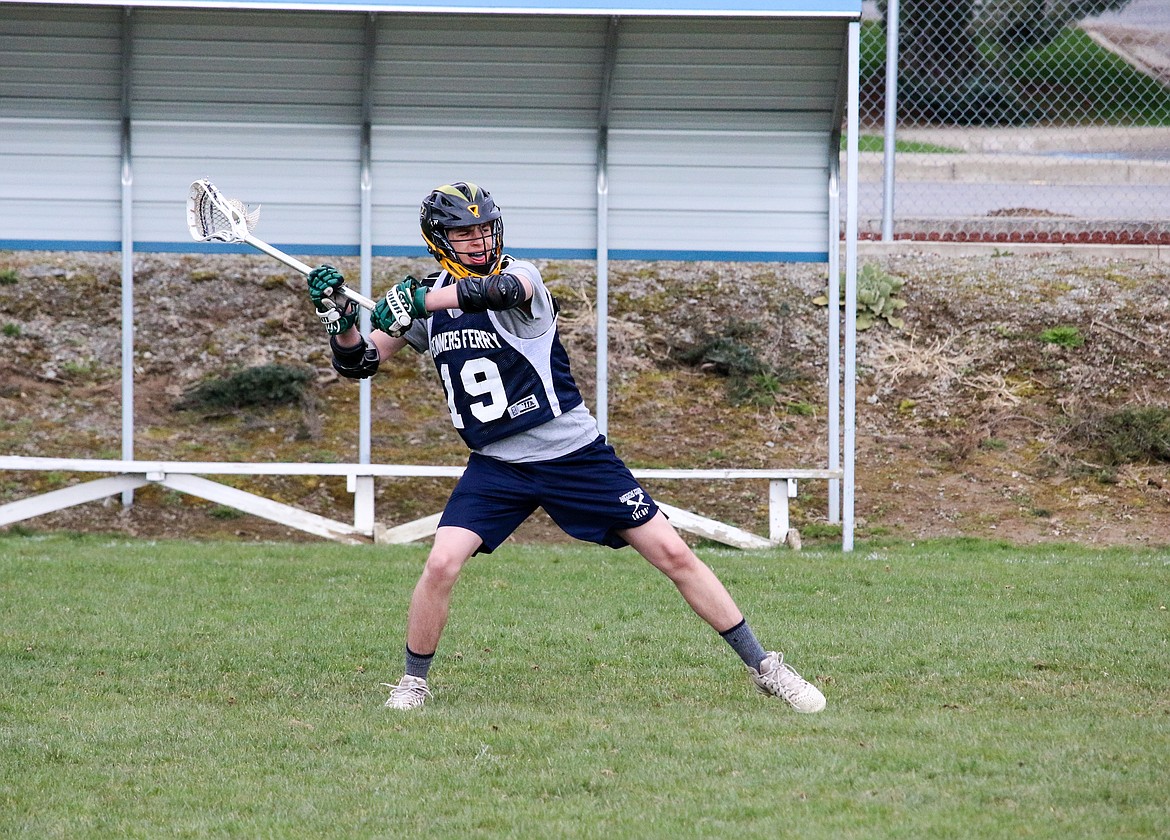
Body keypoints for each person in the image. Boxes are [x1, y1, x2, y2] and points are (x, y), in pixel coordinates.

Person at [306, 181, 825, 714]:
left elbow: (498, 294)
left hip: (573, 455)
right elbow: (358, 364)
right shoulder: (427, 300)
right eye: (464, 233)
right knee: (441, 563)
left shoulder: (520, 276)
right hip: (498, 465)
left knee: (673, 553)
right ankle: (413, 682)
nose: (478, 241)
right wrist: (340, 320)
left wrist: (416, 297)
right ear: (440, 239)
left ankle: (767, 667)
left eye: (484, 229)